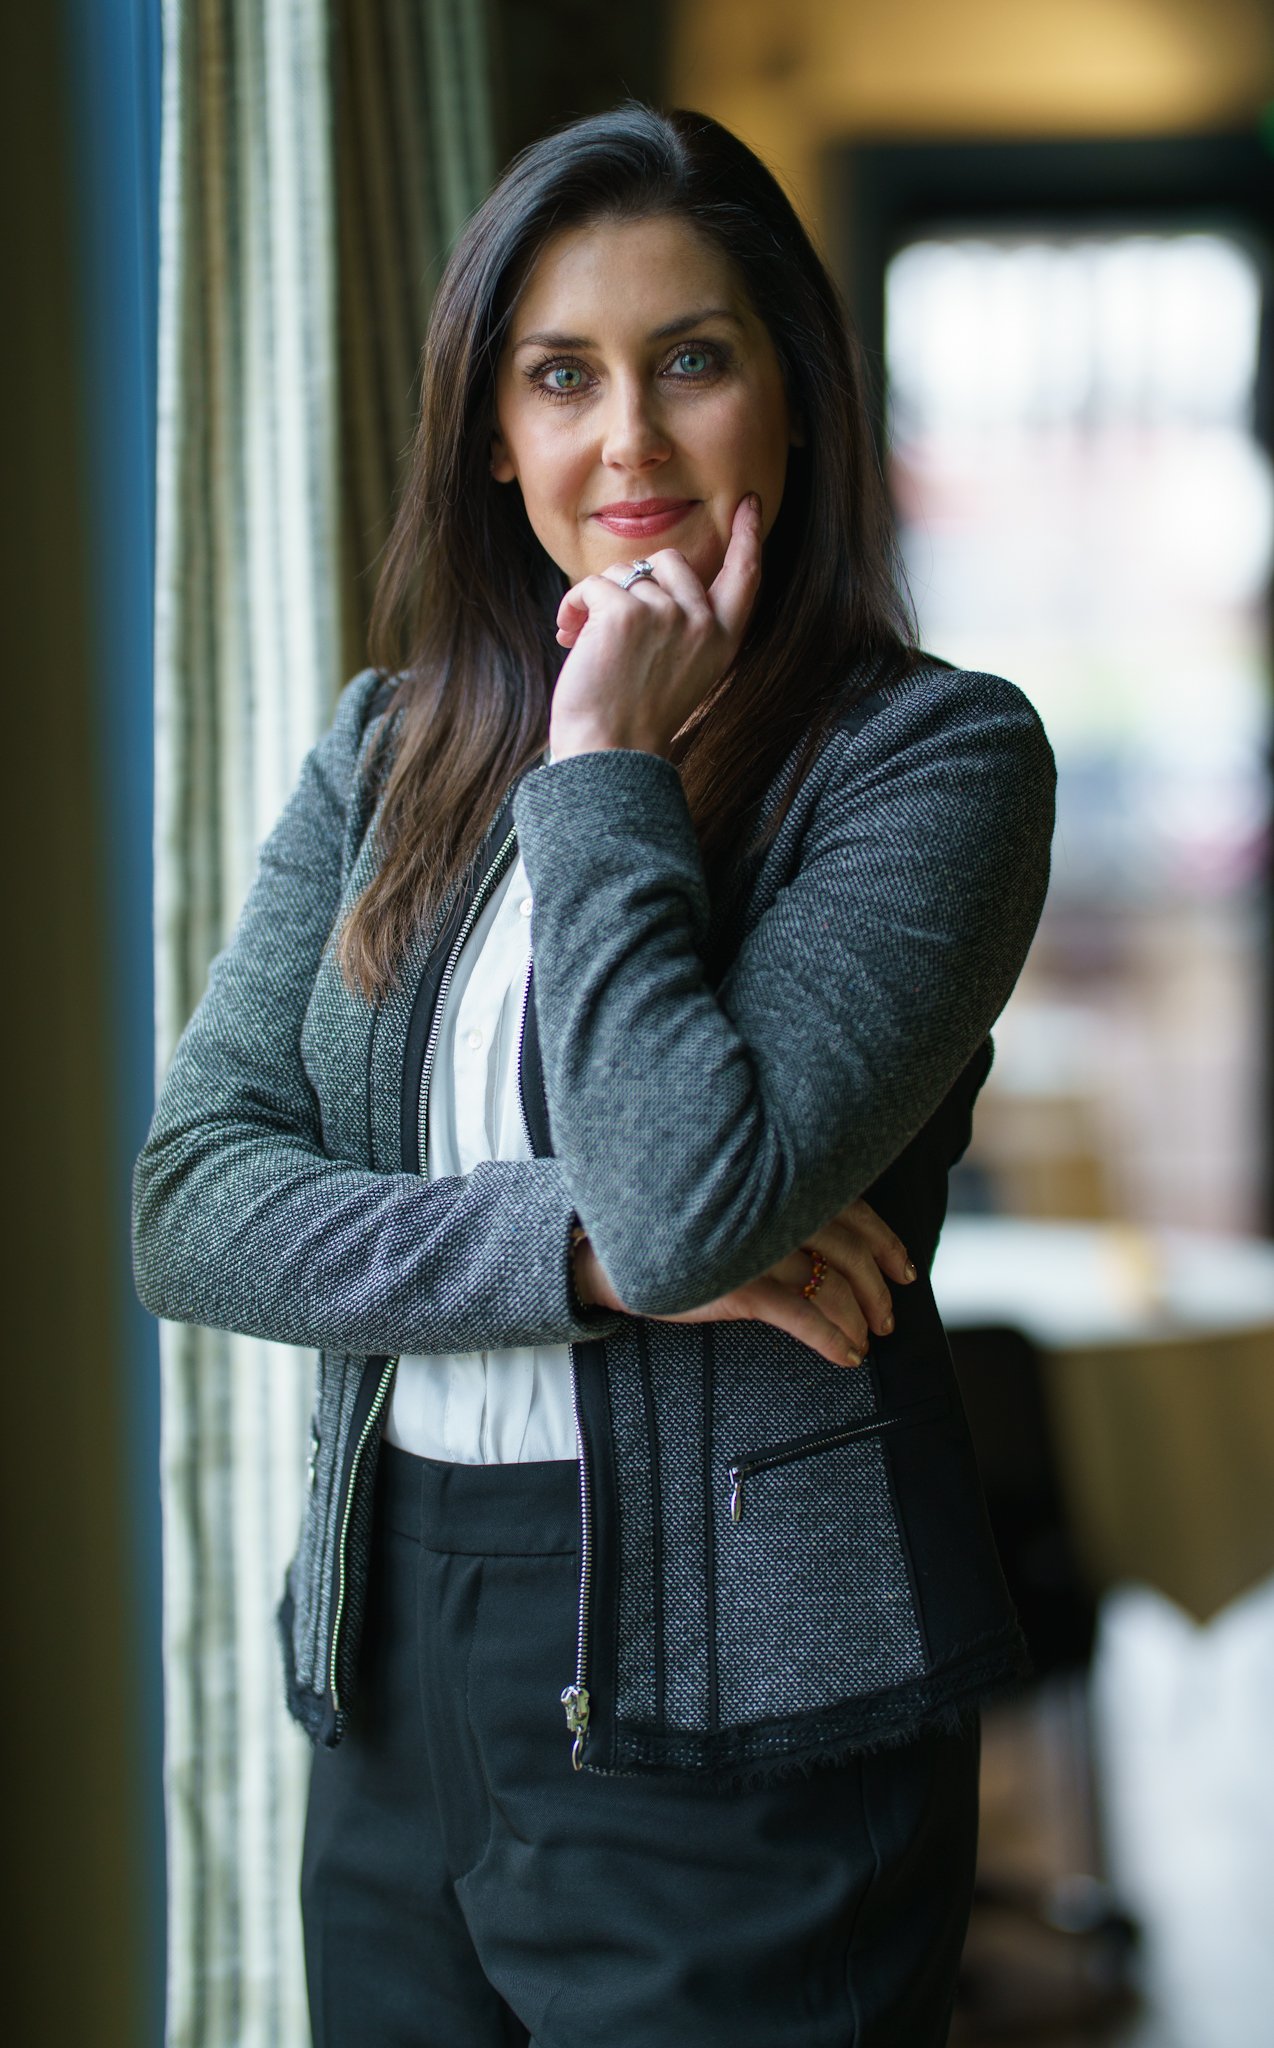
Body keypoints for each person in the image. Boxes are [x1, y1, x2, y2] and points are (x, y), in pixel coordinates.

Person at [133, 101, 1056, 2048]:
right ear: (494, 429)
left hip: (756, 1728)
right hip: (394, 1693)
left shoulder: (932, 766)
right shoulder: (381, 754)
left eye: (690, 362)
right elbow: (189, 1201)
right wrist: (575, 1261)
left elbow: (683, 1198)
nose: (623, 439)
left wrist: (603, 772)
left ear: (792, 399)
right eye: (561, 375)